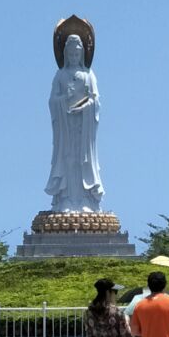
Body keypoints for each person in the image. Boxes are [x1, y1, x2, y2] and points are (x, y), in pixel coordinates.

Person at [44, 32, 103, 212]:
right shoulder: (60, 75)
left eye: (77, 54)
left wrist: (85, 107)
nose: (74, 57)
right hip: (66, 126)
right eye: (70, 55)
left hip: (84, 127)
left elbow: (96, 100)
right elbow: (52, 101)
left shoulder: (88, 74)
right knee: (67, 159)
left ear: (82, 54)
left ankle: (86, 200)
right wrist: (63, 100)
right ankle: (67, 200)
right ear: (65, 55)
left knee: (83, 161)